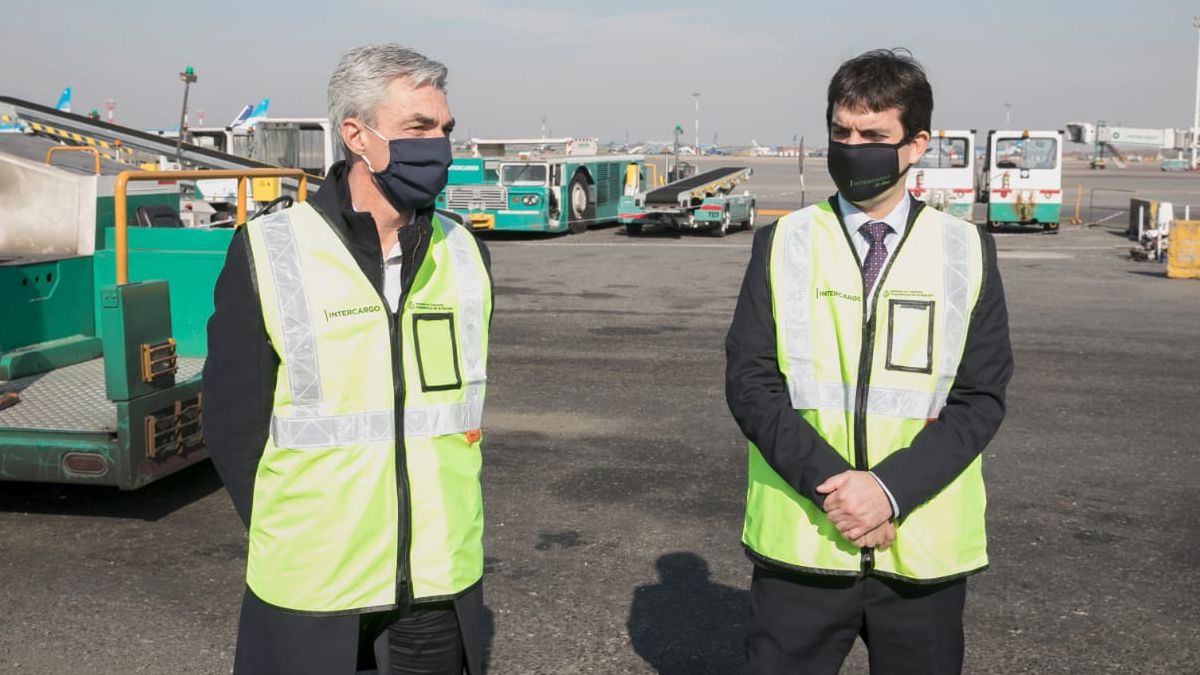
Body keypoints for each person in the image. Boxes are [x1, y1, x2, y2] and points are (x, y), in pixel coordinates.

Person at [203, 43, 493, 675]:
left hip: (436, 585)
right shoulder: (271, 250)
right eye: (418, 127)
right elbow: (232, 424)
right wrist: (296, 535)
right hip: (315, 589)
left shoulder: (465, 253)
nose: (440, 146)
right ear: (357, 135)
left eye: (445, 129)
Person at [725, 48, 1013, 674]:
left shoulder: (966, 250)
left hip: (921, 552)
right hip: (804, 545)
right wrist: (841, 493)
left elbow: (980, 398)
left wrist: (888, 492)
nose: (852, 148)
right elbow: (751, 384)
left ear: (916, 144)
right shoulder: (783, 243)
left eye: (873, 136)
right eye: (841, 132)